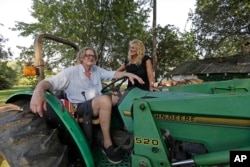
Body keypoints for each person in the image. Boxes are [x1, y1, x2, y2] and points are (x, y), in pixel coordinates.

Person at [29, 47, 144, 164]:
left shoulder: (96, 70)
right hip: (79, 106)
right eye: (87, 55)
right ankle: (107, 143)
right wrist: (38, 90)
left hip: (94, 102)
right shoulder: (71, 72)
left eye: (93, 55)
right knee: (104, 100)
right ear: (81, 58)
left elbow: (112, 74)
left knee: (124, 95)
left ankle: (129, 130)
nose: (91, 57)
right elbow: (51, 82)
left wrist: (128, 74)